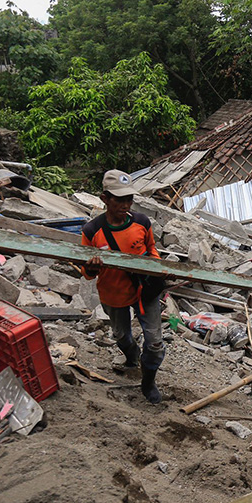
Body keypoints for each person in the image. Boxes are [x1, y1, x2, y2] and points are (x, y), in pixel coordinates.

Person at [81, 169, 166, 403]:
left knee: (156, 342)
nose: (126, 204)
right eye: (119, 199)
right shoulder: (92, 231)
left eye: (129, 198)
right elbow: (86, 274)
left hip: (144, 290)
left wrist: (156, 269)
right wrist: (93, 267)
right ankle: (131, 355)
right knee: (121, 335)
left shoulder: (141, 222)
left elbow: (151, 249)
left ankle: (148, 381)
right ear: (105, 198)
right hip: (113, 293)